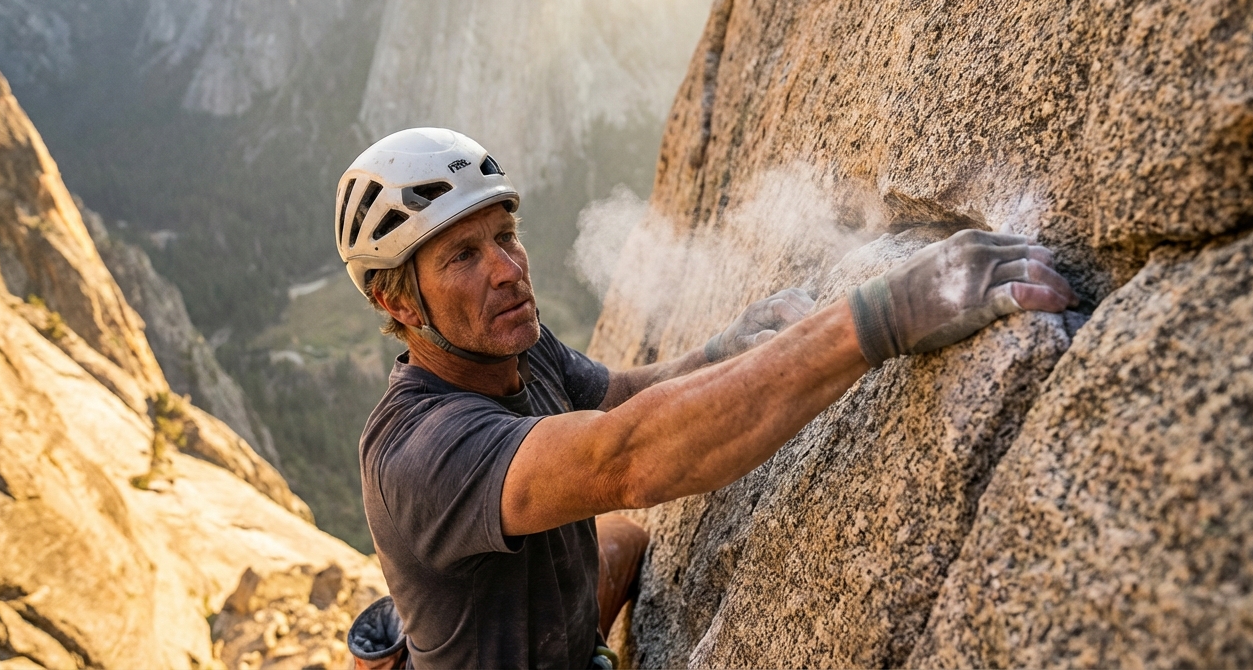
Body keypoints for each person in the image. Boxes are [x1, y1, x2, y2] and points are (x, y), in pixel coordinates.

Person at [338, 128, 1077, 669]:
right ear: (398, 302)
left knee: (621, 539)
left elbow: (615, 396)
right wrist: (886, 315)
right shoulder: (420, 452)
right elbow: (623, 456)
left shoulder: (509, 344)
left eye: (505, 235)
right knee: (619, 516)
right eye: (464, 257)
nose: (507, 270)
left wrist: (723, 347)